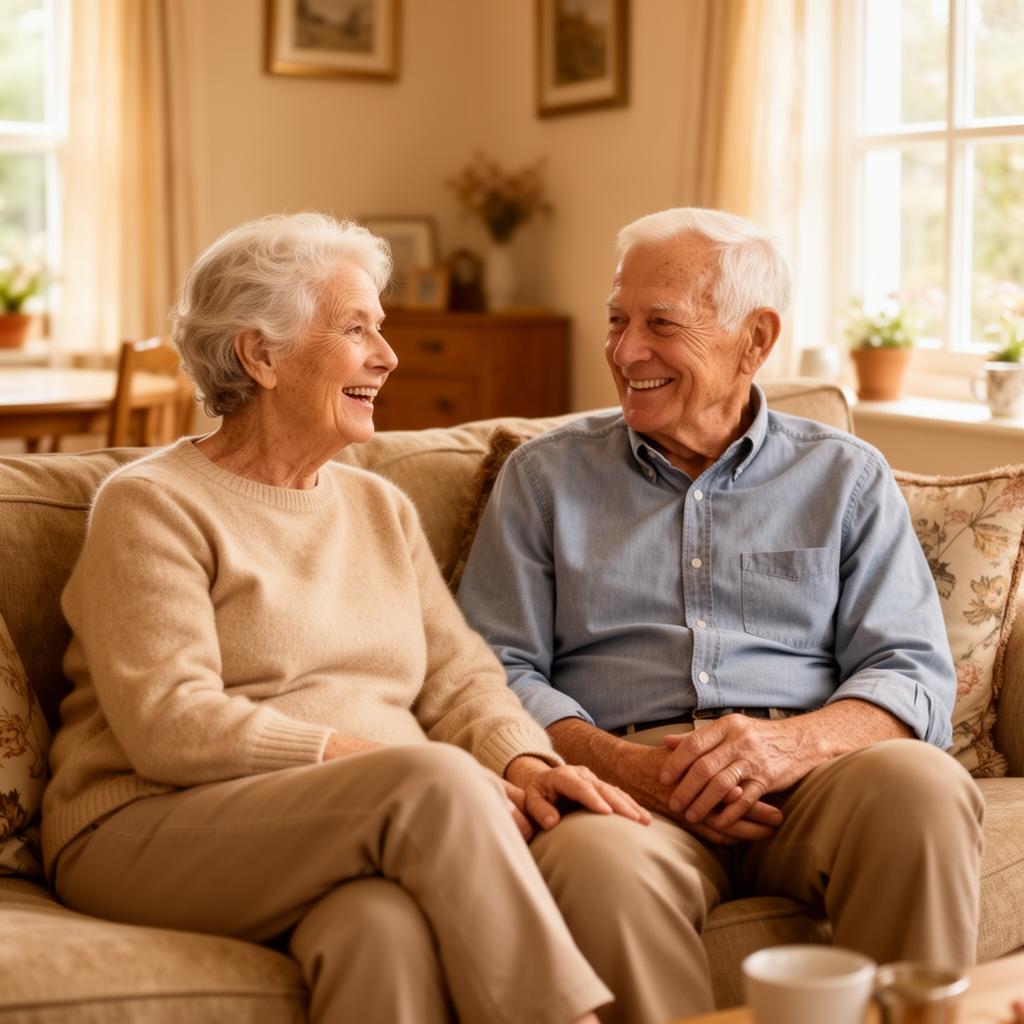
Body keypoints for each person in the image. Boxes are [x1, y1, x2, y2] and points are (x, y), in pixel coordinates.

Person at [41, 212, 657, 1024]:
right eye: (356, 328)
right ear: (260, 355)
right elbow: (167, 723)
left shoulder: (378, 505)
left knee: (380, 929)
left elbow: (457, 676)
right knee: (430, 779)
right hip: (143, 823)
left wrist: (522, 763)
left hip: (341, 823)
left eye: (382, 327)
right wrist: (359, 759)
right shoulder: (151, 504)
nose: (388, 355)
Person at [457, 207, 986, 1020]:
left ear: (756, 339)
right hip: (624, 782)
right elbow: (490, 675)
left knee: (921, 788)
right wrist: (621, 766)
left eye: (660, 325)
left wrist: (792, 743)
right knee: (593, 869)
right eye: (617, 320)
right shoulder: (543, 479)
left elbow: (910, 670)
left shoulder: (845, 477)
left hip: (811, 777)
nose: (625, 351)